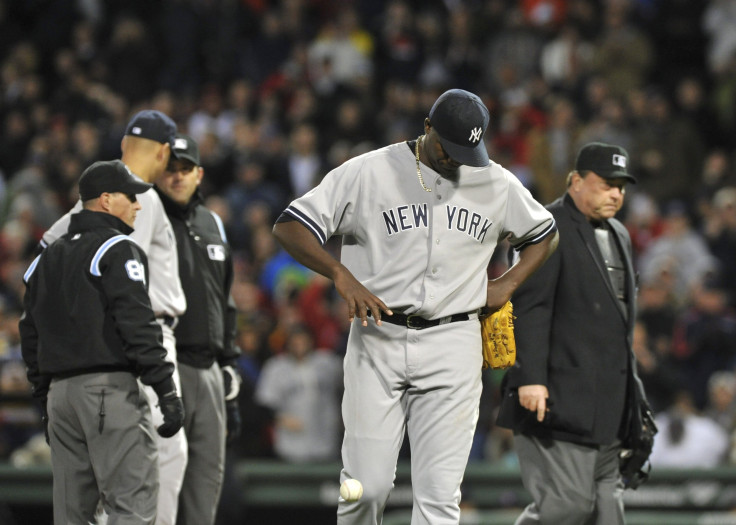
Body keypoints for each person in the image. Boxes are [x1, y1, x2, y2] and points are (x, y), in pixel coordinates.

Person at [272, 88, 558, 525]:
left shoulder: (495, 181)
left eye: (470, 150)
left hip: (454, 341)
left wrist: (508, 284)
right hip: (378, 338)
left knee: (440, 500)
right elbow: (291, 226)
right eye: (451, 147)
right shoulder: (369, 171)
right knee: (365, 490)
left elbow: (544, 233)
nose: (459, 159)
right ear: (427, 128)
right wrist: (339, 273)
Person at [41, 110, 188, 525]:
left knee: (81, 498)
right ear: (163, 151)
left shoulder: (90, 199)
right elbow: (130, 302)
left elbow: (42, 259)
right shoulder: (134, 202)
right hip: (131, 346)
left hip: (75, 367)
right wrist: (162, 384)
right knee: (147, 472)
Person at [496, 142, 650, 525]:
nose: (616, 193)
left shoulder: (619, 233)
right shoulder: (547, 226)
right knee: (565, 509)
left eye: (621, 185)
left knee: (607, 513)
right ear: (576, 181)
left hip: (610, 403)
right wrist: (530, 378)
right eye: (606, 183)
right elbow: (530, 306)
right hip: (559, 398)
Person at [154, 133, 241, 525]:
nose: (177, 177)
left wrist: (229, 366)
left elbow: (226, 300)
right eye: (170, 169)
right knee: (161, 488)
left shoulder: (213, 224)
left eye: (185, 169)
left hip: (209, 372)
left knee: (206, 484)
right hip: (165, 368)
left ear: (199, 174)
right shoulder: (145, 220)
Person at [255, 323, 343, 463]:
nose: (299, 345)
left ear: (311, 341)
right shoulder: (276, 367)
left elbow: (348, 389)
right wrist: (280, 419)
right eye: (295, 342)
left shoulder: (328, 363)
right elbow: (264, 404)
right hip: (291, 443)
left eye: (303, 341)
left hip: (326, 439)